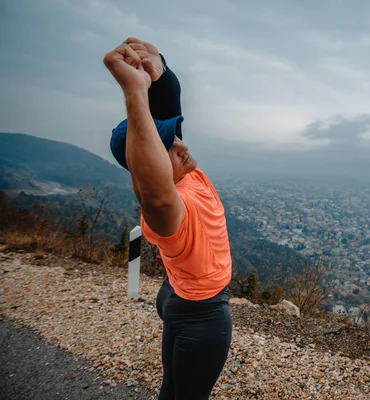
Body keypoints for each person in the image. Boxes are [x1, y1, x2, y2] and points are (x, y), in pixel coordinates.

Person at [103, 37, 233, 400]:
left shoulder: (185, 173)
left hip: (177, 298)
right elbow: (153, 187)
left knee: (173, 388)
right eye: (169, 148)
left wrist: (158, 72)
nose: (183, 146)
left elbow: (167, 115)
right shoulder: (168, 211)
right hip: (201, 316)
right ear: (152, 165)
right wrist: (133, 93)